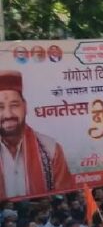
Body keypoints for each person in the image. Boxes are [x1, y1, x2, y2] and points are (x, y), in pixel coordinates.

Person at [0, 70, 72, 199]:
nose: (8, 114)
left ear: (25, 106)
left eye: (14, 105)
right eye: (0, 107)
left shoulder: (50, 148)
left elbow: (64, 194)